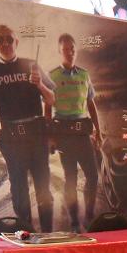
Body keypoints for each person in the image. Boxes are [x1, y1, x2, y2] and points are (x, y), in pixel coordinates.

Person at [0, 25, 55, 232]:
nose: (5, 43)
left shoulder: (32, 65)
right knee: (19, 192)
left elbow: (51, 99)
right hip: (12, 138)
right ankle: (26, 234)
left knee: (43, 188)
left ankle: (48, 235)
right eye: (0, 40)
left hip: (36, 135)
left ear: (16, 42)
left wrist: (40, 85)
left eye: (9, 39)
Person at [45, 34, 102, 232]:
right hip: (64, 136)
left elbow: (90, 103)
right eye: (65, 49)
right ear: (59, 51)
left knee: (93, 176)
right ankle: (75, 222)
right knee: (70, 178)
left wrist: (98, 131)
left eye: (72, 49)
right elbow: (47, 108)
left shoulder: (84, 75)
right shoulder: (52, 76)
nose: (69, 53)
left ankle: (89, 217)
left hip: (82, 134)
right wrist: (50, 136)